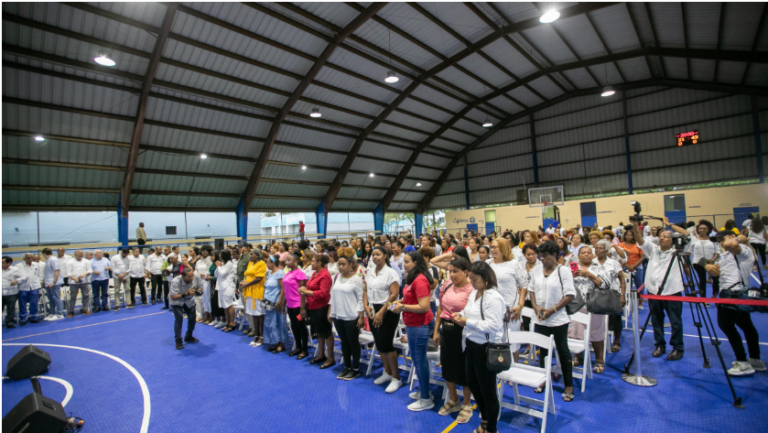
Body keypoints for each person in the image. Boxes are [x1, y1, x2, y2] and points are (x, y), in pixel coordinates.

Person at [451, 261, 505, 433]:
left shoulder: (493, 297)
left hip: (486, 347)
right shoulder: (475, 292)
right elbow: (469, 311)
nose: (472, 283)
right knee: (473, 385)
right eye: (471, 279)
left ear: (486, 278)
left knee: (488, 390)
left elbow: (494, 325)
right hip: (471, 344)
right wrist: (461, 315)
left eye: (475, 279)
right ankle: (485, 420)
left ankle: (491, 428)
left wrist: (467, 321)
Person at [629, 217, 690, 361]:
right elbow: (640, 240)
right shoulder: (653, 249)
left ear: (672, 239)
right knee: (656, 319)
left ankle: (677, 348)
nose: (661, 238)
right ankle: (659, 345)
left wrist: (669, 224)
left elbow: (687, 234)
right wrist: (635, 225)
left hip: (672, 291)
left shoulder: (678, 251)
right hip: (653, 292)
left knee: (675, 321)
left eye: (665, 236)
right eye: (660, 236)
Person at [710, 230, 764, 375]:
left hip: (733, 295)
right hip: (731, 293)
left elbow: (730, 243)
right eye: (719, 240)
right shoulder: (727, 254)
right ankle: (755, 359)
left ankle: (742, 362)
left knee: (726, 325)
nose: (721, 243)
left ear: (733, 237)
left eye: (723, 239)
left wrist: (739, 238)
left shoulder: (743, 250)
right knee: (747, 326)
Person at [529, 240, 576, 402]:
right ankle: (543, 379)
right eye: (540, 256)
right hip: (541, 318)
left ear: (555, 255)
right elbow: (531, 291)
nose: (542, 259)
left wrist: (553, 310)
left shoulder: (563, 271)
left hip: (558, 319)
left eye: (546, 256)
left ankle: (568, 385)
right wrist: (535, 308)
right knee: (543, 352)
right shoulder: (536, 271)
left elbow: (569, 295)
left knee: (563, 351)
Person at [390, 251, 435, 412]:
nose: (403, 264)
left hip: (419, 325)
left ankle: (425, 398)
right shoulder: (412, 278)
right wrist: (401, 301)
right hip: (413, 324)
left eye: (407, 261)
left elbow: (424, 307)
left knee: (418, 360)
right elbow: (413, 299)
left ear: (416, 262)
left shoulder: (420, 280)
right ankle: (425, 391)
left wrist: (402, 306)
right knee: (419, 360)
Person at [433, 257, 474, 423]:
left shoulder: (472, 290)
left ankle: (466, 403)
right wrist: (436, 330)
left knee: (464, 369)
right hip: (447, 331)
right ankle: (453, 399)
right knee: (448, 366)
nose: (452, 274)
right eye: (450, 271)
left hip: (463, 332)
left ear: (465, 272)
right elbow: (441, 308)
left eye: (455, 271)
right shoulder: (447, 285)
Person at [364, 246, 403, 392]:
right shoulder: (370, 272)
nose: (374, 257)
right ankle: (387, 372)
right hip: (373, 308)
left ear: (385, 256)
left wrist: (381, 312)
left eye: (378, 254)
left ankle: (396, 378)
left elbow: (394, 295)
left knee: (386, 343)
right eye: (373, 255)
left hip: (388, 309)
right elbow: (366, 289)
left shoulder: (391, 272)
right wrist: (366, 306)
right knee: (379, 343)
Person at [329, 248, 365, 380]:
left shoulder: (356, 280)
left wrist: (361, 317)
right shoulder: (337, 278)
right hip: (338, 315)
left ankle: (355, 368)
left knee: (353, 342)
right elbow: (333, 295)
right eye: (339, 264)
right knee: (344, 342)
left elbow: (361, 299)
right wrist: (331, 312)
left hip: (351, 316)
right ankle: (347, 366)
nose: (340, 267)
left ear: (350, 264)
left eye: (343, 264)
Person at [489, 238, 526, 359]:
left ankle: (514, 370)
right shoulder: (488, 264)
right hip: (493, 309)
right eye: (491, 247)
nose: (492, 249)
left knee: (512, 342)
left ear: (503, 248)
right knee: (494, 341)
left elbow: (524, 286)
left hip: (511, 309)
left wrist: (520, 305)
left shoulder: (514, 264)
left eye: (495, 247)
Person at [300, 254, 334, 368]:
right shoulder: (315, 273)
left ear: (319, 263)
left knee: (326, 332)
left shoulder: (325, 275)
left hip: (322, 307)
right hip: (313, 306)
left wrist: (306, 291)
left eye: (313, 261)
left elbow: (323, 293)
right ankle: (321, 354)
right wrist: (305, 291)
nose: (311, 263)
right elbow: (310, 288)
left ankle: (330, 357)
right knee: (319, 332)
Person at [283, 252, 310, 359]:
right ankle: (298, 346)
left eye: (289, 260)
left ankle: (304, 349)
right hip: (289, 304)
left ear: (296, 262)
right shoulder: (288, 273)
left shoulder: (300, 274)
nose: (286, 262)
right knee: (294, 327)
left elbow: (303, 291)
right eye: (286, 260)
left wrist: (302, 308)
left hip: (298, 304)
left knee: (301, 327)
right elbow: (285, 289)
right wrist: (283, 303)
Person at [262, 254, 290, 351]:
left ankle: (281, 343)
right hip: (268, 301)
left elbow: (283, 289)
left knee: (279, 322)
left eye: (268, 263)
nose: (267, 265)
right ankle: (275, 341)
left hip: (277, 301)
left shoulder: (280, 273)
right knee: (270, 322)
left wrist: (279, 302)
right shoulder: (269, 273)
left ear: (272, 263)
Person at [169, 267, 201, 350]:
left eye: (192, 276)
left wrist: (197, 291)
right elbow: (173, 297)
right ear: (183, 276)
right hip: (177, 301)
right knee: (179, 319)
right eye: (189, 277)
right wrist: (186, 293)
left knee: (192, 318)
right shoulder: (175, 281)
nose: (192, 278)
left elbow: (200, 287)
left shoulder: (196, 277)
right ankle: (178, 340)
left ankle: (189, 336)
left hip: (189, 300)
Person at [241, 249, 267, 346]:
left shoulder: (262, 263)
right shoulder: (250, 263)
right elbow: (246, 274)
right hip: (249, 291)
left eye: (251, 254)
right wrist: (243, 282)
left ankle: (262, 336)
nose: (250, 256)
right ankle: (257, 334)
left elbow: (259, 278)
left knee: (260, 314)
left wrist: (246, 284)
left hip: (257, 290)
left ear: (257, 255)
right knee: (253, 314)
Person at [689, 220, 720, 298]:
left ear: (708, 230)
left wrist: (713, 260)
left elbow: (717, 251)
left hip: (711, 262)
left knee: (716, 280)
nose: (702, 230)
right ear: (698, 230)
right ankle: (703, 297)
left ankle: (714, 295)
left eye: (704, 228)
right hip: (697, 262)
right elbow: (689, 251)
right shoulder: (693, 239)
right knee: (702, 280)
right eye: (701, 228)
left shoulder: (713, 239)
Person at [215, 250, 238, 332]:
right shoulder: (223, 263)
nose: (219, 256)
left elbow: (223, 273)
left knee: (229, 304)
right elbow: (216, 274)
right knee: (224, 305)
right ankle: (227, 322)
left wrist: (218, 266)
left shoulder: (229, 263)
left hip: (228, 286)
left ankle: (232, 323)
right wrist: (219, 266)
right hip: (221, 286)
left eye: (220, 254)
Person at [67, 250, 93, 317]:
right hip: (73, 282)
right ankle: (71, 311)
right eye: (80, 254)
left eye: (82, 254)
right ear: (75, 255)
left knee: (86, 296)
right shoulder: (70, 262)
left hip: (84, 281)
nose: (81, 255)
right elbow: (68, 273)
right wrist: (75, 279)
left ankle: (85, 309)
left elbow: (90, 270)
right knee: (73, 297)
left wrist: (84, 274)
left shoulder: (86, 261)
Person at [17, 254, 42, 324]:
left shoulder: (36, 265)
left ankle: (34, 317)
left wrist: (39, 281)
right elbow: (17, 276)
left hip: (34, 286)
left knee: (34, 303)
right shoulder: (19, 266)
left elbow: (39, 274)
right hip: (23, 287)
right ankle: (23, 318)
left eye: (31, 258)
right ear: (24, 259)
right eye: (28, 258)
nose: (30, 259)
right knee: (22, 303)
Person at [41, 248, 64, 321]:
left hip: (54, 283)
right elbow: (48, 273)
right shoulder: (48, 261)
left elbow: (57, 270)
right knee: (50, 299)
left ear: (44, 254)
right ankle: (52, 313)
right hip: (48, 283)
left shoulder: (53, 260)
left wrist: (54, 282)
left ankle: (59, 314)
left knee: (56, 298)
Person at [3, 257, 24, 328]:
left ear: (9, 263)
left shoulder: (15, 270)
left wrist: (17, 280)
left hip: (11, 293)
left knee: (11, 309)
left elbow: (23, 277)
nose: (1, 263)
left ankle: (9, 322)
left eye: (3, 262)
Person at [195, 246, 213, 324]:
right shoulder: (199, 261)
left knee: (208, 299)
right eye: (203, 251)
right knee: (204, 299)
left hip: (207, 281)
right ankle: (206, 315)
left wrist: (202, 274)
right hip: (200, 280)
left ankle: (211, 316)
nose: (204, 252)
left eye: (206, 251)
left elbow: (209, 271)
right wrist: (197, 275)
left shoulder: (210, 260)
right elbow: (195, 270)